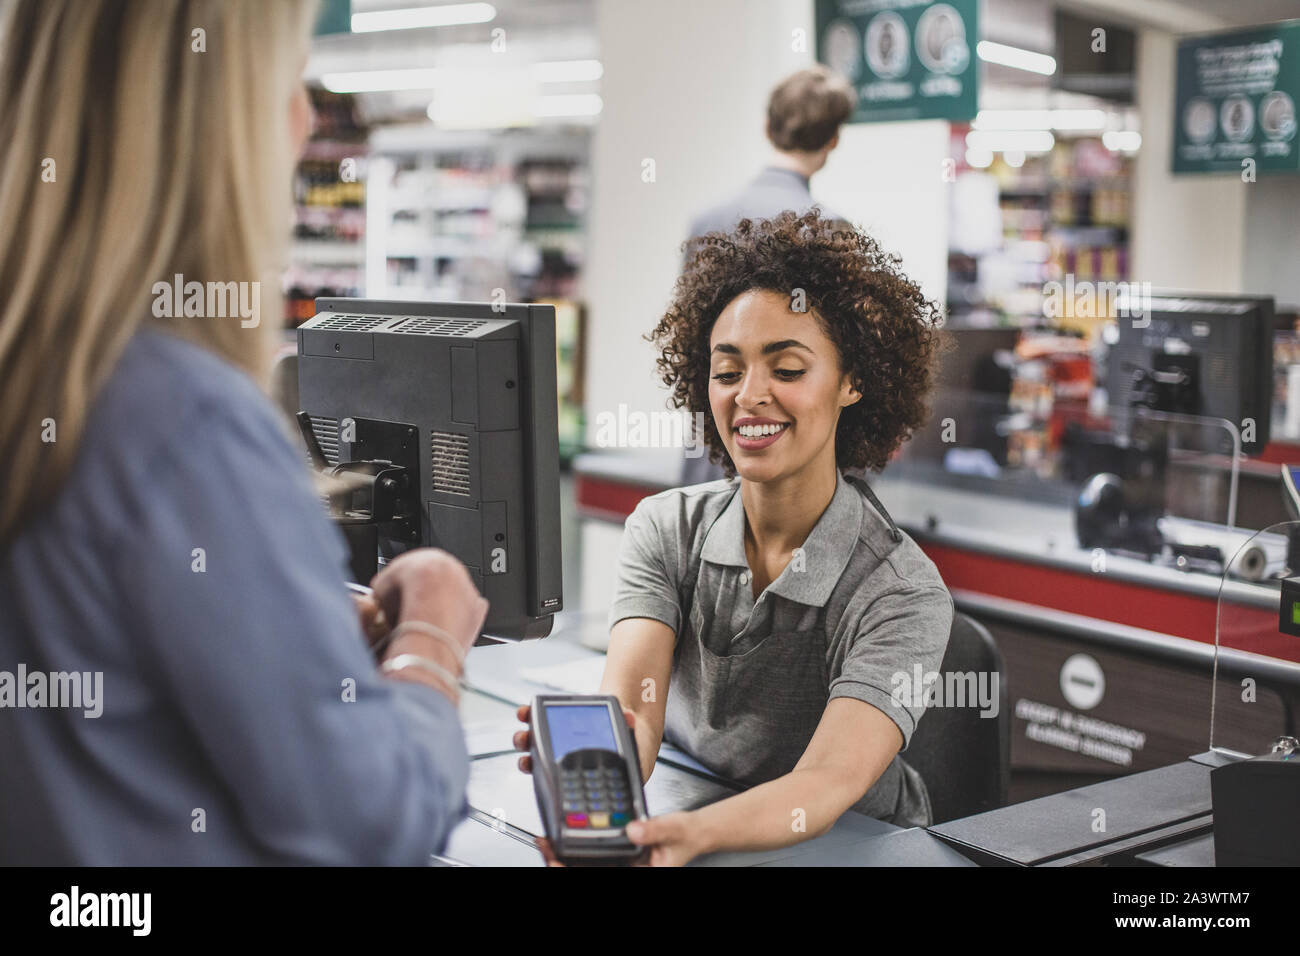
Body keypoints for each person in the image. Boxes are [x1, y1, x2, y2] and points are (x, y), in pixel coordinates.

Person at [0, 0, 486, 865]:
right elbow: (371, 816)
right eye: (290, 81)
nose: (303, 117)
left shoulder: (51, 383)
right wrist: (432, 639)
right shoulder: (184, 423)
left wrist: (278, 612)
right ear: (225, 117)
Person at [515, 209, 954, 866]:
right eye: (728, 372)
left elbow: (824, 784)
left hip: (858, 848)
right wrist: (607, 759)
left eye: (787, 368)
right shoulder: (665, 530)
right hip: (708, 813)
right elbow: (633, 709)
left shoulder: (902, 591)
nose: (750, 396)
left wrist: (690, 835)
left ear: (853, 382)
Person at [681, 65, 857, 485]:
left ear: (767, 127)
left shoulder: (706, 222)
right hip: (790, 467)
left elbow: (690, 350)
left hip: (712, 456)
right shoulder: (832, 230)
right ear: (833, 139)